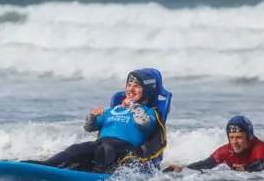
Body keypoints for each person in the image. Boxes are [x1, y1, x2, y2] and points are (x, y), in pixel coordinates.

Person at [21, 69, 160, 173]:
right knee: (76, 149)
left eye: (136, 86)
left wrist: (132, 105)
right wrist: (92, 117)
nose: (131, 89)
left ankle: (98, 176)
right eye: (129, 85)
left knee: (106, 148)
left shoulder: (149, 112)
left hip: (126, 148)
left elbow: (144, 123)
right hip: (102, 144)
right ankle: (44, 165)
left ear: (146, 91)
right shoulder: (112, 110)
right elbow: (89, 128)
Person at [163, 115, 264, 173]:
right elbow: (207, 163)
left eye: (239, 138)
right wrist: (183, 169)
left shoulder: (260, 147)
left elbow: (260, 165)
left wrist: (244, 169)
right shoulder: (226, 151)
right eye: (231, 138)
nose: (234, 142)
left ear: (249, 136)